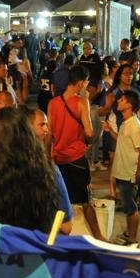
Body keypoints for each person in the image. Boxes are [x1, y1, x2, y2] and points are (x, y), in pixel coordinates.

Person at [0, 108, 73, 233]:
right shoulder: (50, 170)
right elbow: (66, 226)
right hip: (41, 247)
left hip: (4, 248)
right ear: (29, 133)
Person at [47, 65, 103, 241]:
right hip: (76, 158)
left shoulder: (53, 103)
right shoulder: (81, 102)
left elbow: (49, 134)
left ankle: (55, 238)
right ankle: (99, 237)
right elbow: (89, 132)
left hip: (57, 158)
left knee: (60, 201)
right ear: (80, 83)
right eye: (86, 83)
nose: (86, 86)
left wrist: (48, 157)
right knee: (86, 201)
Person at [103, 89, 140, 245]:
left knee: (131, 207)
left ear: (129, 105)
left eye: (121, 100)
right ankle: (129, 233)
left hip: (129, 172)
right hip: (122, 171)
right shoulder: (126, 123)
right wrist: (110, 131)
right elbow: (122, 140)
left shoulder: (134, 125)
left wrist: (138, 173)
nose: (118, 102)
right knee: (129, 205)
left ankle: (133, 239)